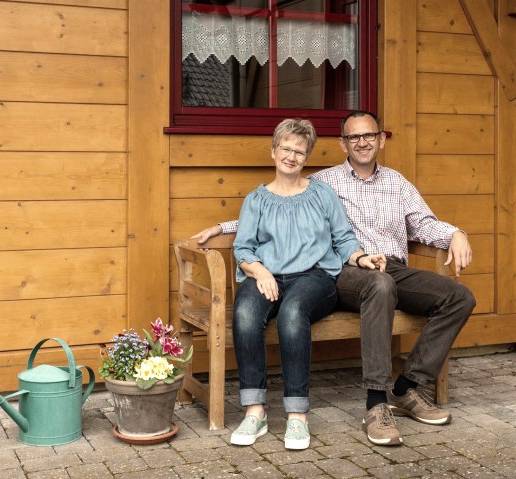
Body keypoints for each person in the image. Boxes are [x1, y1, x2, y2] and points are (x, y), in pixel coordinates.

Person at [194, 111, 476, 447]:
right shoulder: (325, 182)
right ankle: (373, 403)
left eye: (369, 135)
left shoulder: (395, 183)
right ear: (343, 143)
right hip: (351, 272)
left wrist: (455, 233)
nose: (362, 142)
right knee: (376, 286)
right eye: (354, 137)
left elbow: (420, 225)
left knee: (459, 296)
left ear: (381, 139)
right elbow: (278, 207)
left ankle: (405, 387)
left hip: (382, 265)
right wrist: (221, 228)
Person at [229, 118, 386, 450]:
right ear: (273, 152)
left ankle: (297, 416)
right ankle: (255, 411)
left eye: (299, 152)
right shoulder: (256, 199)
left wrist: (362, 259)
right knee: (244, 312)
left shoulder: (321, 194)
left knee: (292, 312)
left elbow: (343, 239)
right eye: (285, 149)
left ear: (306, 157)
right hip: (267, 276)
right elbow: (242, 249)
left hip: (315, 278)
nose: (291, 156)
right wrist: (261, 272)